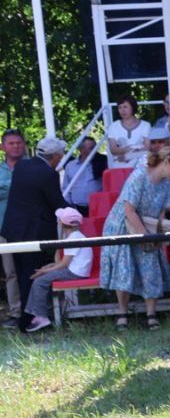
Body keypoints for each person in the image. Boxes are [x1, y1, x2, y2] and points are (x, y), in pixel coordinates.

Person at [98, 145, 170, 330]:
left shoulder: (167, 183)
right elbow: (129, 211)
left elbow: (163, 212)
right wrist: (144, 236)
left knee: (150, 266)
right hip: (122, 226)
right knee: (123, 268)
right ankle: (122, 313)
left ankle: (151, 314)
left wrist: (156, 232)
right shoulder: (139, 176)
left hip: (146, 226)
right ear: (166, 162)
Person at [1, 136, 65, 329]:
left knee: (20, 274)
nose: (61, 158)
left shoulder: (22, 166)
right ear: (54, 156)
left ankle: (24, 318)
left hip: (13, 230)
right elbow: (58, 204)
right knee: (32, 274)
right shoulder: (48, 174)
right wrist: (76, 214)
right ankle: (30, 320)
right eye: (60, 155)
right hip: (33, 233)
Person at [23, 206, 93, 333]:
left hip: (75, 273)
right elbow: (60, 262)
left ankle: (41, 316)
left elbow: (63, 264)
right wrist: (47, 267)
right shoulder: (76, 236)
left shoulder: (73, 238)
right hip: (74, 271)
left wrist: (45, 271)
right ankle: (41, 312)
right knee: (41, 279)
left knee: (40, 282)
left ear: (62, 223)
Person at [0, 129, 27, 326]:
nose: (16, 146)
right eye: (11, 143)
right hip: (4, 229)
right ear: (3, 147)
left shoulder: (32, 167)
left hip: (30, 228)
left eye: (19, 142)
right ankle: (16, 312)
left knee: (32, 269)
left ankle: (36, 311)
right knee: (10, 272)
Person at [105, 96, 151, 171]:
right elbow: (113, 149)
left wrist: (128, 155)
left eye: (125, 107)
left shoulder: (145, 125)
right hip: (120, 165)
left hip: (139, 165)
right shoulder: (113, 126)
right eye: (120, 107)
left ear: (133, 107)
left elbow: (147, 147)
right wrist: (127, 150)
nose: (122, 110)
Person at [61, 136, 102, 215]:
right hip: (77, 208)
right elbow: (66, 187)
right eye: (91, 148)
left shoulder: (101, 163)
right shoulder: (70, 165)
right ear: (81, 149)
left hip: (98, 207)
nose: (95, 151)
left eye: (95, 147)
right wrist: (70, 206)